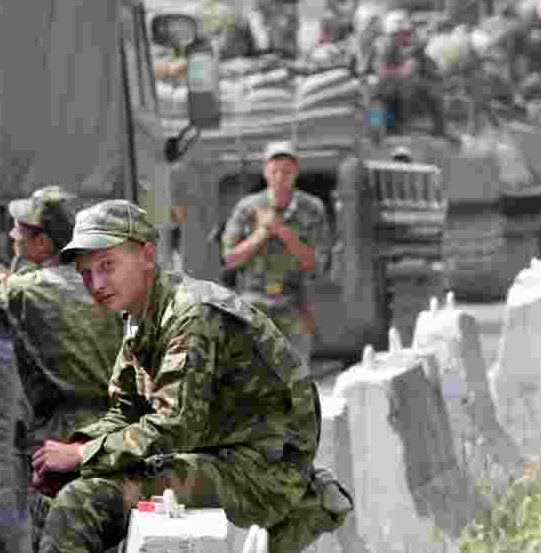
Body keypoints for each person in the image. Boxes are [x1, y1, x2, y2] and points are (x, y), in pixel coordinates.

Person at [32, 200, 351, 553]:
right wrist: (77, 448)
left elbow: (175, 424)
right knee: (54, 493)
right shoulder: (139, 315)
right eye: (86, 272)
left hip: (262, 470)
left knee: (83, 501)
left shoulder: (190, 314)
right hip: (212, 451)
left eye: (108, 265)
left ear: (147, 256)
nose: (96, 283)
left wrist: (84, 456)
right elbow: (126, 411)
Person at [0, 186, 124, 551]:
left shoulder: (27, 292)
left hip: (61, 434)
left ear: (43, 243)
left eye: (19, 230)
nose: (12, 236)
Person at [221, 142, 329, 367]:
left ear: (296, 172)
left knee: (296, 381)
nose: (280, 177)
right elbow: (230, 259)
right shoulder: (247, 208)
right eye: (275, 171)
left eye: (286, 171)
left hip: (294, 303)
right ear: (266, 172)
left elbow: (317, 264)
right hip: (254, 302)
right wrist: (262, 232)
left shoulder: (312, 208)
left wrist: (284, 233)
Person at [370, 9, 447, 137]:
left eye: (408, 33)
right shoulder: (384, 46)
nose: (407, 36)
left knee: (431, 90)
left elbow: (429, 69)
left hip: (400, 87)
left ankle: (439, 130)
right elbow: (381, 71)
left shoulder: (408, 47)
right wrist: (401, 72)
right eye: (404, 33)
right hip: (386, 88)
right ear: (393, 33)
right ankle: (377, 131)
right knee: (377, 97)